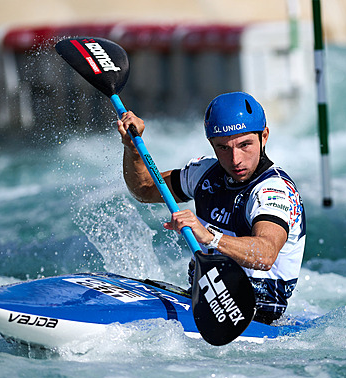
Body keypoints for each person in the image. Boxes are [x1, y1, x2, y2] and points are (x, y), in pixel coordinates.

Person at [117, 91, 305, 324]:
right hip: (205, 302)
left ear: (264, 136)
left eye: (245, 145)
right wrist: (131, 147)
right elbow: (143, 190)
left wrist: (210, 237)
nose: (235, 159)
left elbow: (265, 254)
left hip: (254, 316)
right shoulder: (204, 173)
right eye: (223, 148)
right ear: (211, 144)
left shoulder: (274, 191)